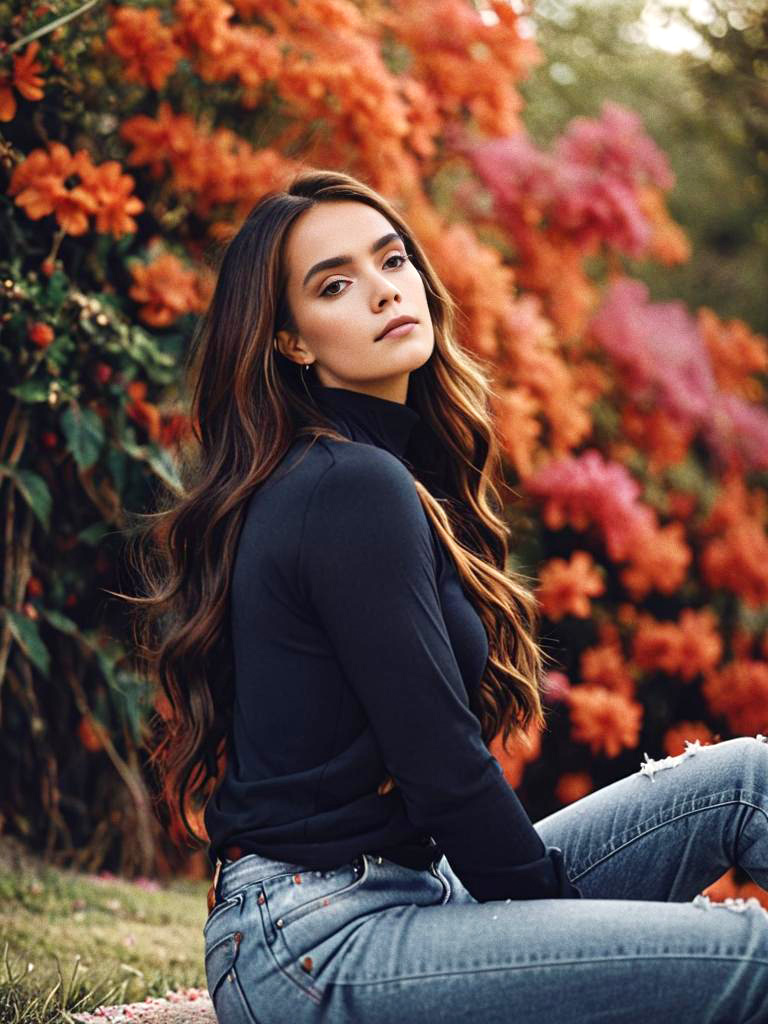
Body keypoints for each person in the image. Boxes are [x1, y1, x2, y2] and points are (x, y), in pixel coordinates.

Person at [126, 170, 768, 1023]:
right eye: (336, 284)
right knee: (746, 958)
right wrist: (573, 927)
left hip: (409, 893)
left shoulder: (370, 471)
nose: (385, 289)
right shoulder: (348, 485)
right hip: (317, 941)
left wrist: (563, 924)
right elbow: (440, 766)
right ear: (291, 343)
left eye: (391, 260)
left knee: (747, 782)